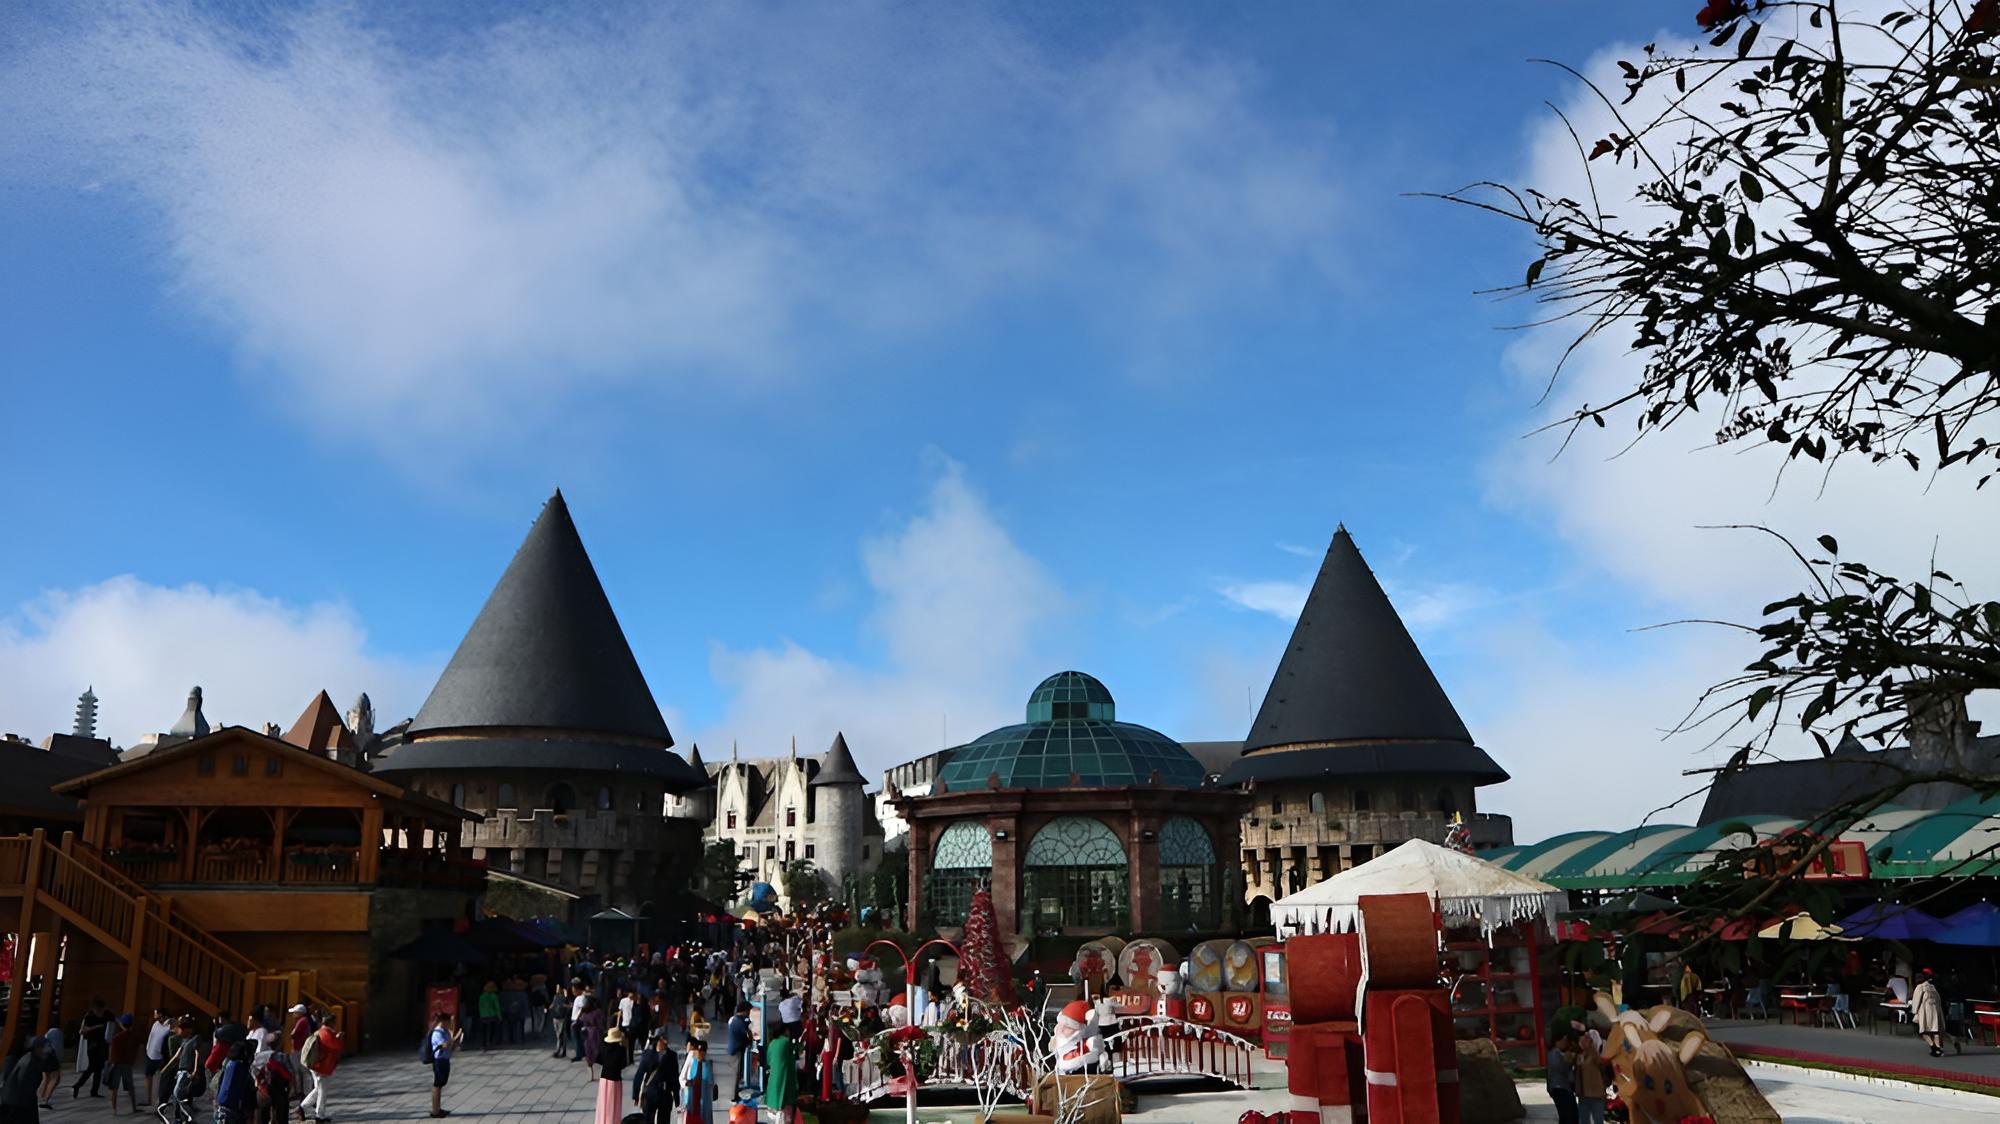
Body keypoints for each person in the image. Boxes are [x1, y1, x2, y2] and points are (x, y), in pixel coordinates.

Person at [298, 1013, 341, 1124]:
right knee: (322, 1091)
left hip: (319, 1066)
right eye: (334, 1022)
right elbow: (335, 1047)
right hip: (321, 1067)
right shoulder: (326, 1033)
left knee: (318, 1089)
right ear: (330, 1022)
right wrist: (338, 1038)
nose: (335, 1024)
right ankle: (319, 1116)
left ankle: (302, 1107)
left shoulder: (322, 1031)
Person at [3, 1037, 50, 1124]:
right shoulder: (31, 1062)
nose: (47, 1050)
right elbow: (24, 1086)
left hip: (17, 1100)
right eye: (45, 1047)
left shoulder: (30, 1058)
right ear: (37, 1048)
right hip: (19, 1102)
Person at [632, 1033, 675, 1124]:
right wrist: (636, 1095)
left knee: (664, 1120)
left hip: (665, 1092)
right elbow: (639, 1075)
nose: (666, 1041)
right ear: (657, 1040)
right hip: (651, 1092)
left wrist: (676, 1095)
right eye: (663, 1039)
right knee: (648, 1119)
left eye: (666, 1038)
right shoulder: (648, 1055)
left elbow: (674, 1076)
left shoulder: (672, 1055)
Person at [73, 998, 112, 1099]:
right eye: (99, 1010)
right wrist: (96, 1027)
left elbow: (115, 1019)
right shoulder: (89, 1017)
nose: (101, 1012)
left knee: (98, 1069)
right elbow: (81, 1031)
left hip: (101, 1044)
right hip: (92, 1044)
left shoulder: (106, 1014)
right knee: (92, 1067)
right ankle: (78, 1085)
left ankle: (94, 1091)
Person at [426, 1014, 462, 1119]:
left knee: (441, 1084)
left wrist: (455, 1042)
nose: (451, 1024)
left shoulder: (445, 1031)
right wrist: (454, 1038)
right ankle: (435, 1111)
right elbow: (444, 1045)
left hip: (444, 1059)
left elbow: (449, 1045)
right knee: (437, 1084)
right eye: (449, 1022)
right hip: (439, 1061)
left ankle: (437, 1108)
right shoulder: (437, 1033)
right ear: (444, 1021)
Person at [105, 1015, 141, 1114]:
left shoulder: (116, 1038)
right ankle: (134, 1107)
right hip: (127, 1064)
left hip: (116, 1064)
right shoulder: (134, 1037)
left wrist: (110, 1063)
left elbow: (112, 1053)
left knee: (114, 1088)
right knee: (130, 1087)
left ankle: (114, 1109)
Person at [214, 1042, 256, 1124]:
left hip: (221, 1109)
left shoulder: (229, 1064)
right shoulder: (242, 1069)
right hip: (232, 1112)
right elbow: (248, 1094)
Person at [593, 1027, 628, 1124]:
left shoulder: (603, 1048)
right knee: (613, 1105)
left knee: (603, 1104)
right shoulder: (621, 1050)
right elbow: (624, 1064)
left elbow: (598, 1060)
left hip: (604, 1079)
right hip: (615, 1079)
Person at [763, 1024, 797, 1124]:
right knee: (786, 1104)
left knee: (775, 1102)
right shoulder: (786, 1043)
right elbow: (792, 1060)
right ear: (785, 1031)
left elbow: (768, 1061)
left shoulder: (772, 1043)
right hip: (786, 1077)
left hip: (773, 1077)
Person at [1545, 1030, 1578, 1124]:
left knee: (1568, 1114)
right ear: (1557, 1041)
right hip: (1560, 1087)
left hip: (1563, 1087)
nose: (1565, 1043)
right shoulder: (1554, 1054)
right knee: (1568, 1114)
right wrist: (1568, 1063)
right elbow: (1559, 1068)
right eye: (1564, 1040)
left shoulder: (1558, 1054)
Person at [1912, 967, 1946, 1058]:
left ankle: (1933, 1047)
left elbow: (1916, 1000)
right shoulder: (1933, 987)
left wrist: (1914, 1011)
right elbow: (1938, 1000)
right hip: (1935, 1011)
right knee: (1935, 1030)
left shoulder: (1920, 987)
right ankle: (1938, 1048)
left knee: (1924, 1031)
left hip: (1924, 1011)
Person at [145, 1010, 174, 1109]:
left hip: (161, 1057)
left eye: (159, 1017)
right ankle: (149, 1099)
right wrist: (147, 1048)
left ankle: (160, 1100)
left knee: (161, 1079)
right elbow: (151, 1036)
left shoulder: (169, 1027)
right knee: (148, 1075)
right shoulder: (156, 1024)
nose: (157, 1019)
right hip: (150, 1053)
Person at [679, 1039, 713, 1124]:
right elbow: (681, 1078)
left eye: (703, 1051)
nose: (700, 1053)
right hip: (691, 1099)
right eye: (699, 1050)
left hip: (704, 1103)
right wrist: (686, 1083)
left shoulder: (708, 1064)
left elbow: (712, 1083)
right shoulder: (691, 1059)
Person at [725, 1003, 754, 1099]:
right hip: (736, 1050)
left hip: (732, 1048)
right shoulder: (739, 1022)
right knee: (736, 1073)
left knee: (735, 1073)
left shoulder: (733, 1019)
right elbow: (748, 1034)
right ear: (745, 1011)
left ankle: (735, 1092)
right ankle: (733, 1095)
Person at [476, 984, 502, 1052]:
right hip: (492, 1015)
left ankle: (484, 1043)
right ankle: (490, 1043)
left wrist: (481, 1013)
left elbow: (480, 1005)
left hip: (483, 1015)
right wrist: (499, 1015)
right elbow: (497, 1006)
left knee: (484, 1031)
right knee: (492, 1030)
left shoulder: (482, 996)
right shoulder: (493, 996)